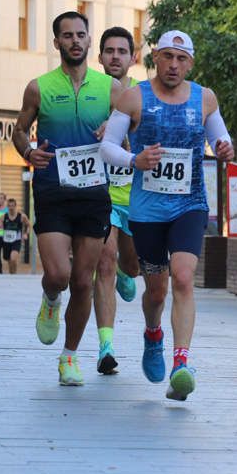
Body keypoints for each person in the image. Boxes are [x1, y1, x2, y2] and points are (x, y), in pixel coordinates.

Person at [99, 29, 235, 400]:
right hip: (147, 211)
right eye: (167, 57)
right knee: (156, 291)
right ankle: (153, 335)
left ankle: (181, 363)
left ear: (191, 62)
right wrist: (134, 160)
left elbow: (220, 138)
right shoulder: (133, 96)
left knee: (184, 277)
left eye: (182, 59)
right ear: (155, 58)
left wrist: (224, 148)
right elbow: (107, 145)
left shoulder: (204, 98)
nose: (174, 65)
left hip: (189, 205)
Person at [11, 11, 120, 386]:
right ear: (57, 42)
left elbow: (133, 131)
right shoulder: (38, 87)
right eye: (67, 36)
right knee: (58, 275)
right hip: (52, 190)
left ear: (90, 41)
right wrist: (28, 152)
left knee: (84, 281)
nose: (75, 41)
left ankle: (69, 358)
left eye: (81, 35)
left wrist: (115, 129)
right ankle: (50, 299)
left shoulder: (111, 90)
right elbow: (20, 130)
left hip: (93, 193)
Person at [91, 26, 142, 375]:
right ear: (100, 57)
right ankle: (106, 347)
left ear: (132, 58)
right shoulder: (90, 93)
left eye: (121, 51)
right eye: (109, 51)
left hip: (137, 197)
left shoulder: (146, 96)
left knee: (132, 266)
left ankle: (129, 269)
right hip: (101, 195)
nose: (115, 57)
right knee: (104, 262)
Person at [0, 198, 30, 275]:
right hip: (6, 241)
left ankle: (14, 275)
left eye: (12, 206)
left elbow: (28, 225)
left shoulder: (22, 216)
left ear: (15, 206)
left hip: (16, 241)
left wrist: (25, 234)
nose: (11, 208)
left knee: (13, 258)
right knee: (9, 261)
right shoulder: (4, 216)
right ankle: (12, 274)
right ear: (7, 207)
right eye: (9, 206)